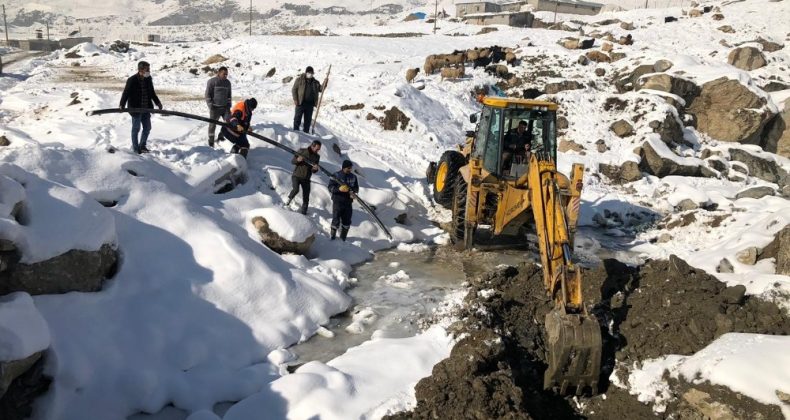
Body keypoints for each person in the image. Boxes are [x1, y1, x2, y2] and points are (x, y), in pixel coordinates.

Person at [120, 61, 162, 154]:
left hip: (146, 108)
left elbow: (152, 92)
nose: (149, 71)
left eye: (149, 69)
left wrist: (158, 102)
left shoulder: (148, 79)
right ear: (141, 70)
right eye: (147, 69)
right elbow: (126, 93)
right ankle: (136, 149)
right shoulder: (132, 80)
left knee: (147, 127)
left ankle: (142, 145)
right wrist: (122, 104)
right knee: (136, 128)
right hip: (135, 109)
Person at [286, 140, 322, 214]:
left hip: (306, 178)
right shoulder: (302, 151)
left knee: (306, 196)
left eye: (319, 149)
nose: (318, 150)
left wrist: (315, 169)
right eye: (317, 148)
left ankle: (304, 212)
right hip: (297, 175)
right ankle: (288, 201)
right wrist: (298, 160)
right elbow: (293, 161)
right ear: (312, 146)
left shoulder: (317, 157)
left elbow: (314, 170)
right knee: (296, 189)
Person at [328, 160, 359, 241]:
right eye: (348, 168)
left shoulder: (353, 177)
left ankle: (343, 239)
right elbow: (330, 187)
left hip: (348, 202)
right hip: (338, 201)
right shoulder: (336, 175)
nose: (350, 170)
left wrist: (354, 193)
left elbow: (356, 188)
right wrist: (339, 189)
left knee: (347, 221)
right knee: (336, 219)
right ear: (344, 167)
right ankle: (332, 238)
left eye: (351, 168)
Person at [205, 66, 232, 147]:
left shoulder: (228, 83)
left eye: (226, 74)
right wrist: (210, 105)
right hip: (215, 108)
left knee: (229, 123)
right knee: (212, 125)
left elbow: (229, 95)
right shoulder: (212, 81)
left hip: (225, 108)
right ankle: (211, 141)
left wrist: (229, 105)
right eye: (224, 74)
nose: (225, 76)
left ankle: (221, 136)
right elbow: (207, 94)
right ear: (219, 73)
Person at [291, 66, 323, 133]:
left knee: (308, 121)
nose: (310, 74)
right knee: (297, 118)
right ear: (306, 72)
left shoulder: (315, 82)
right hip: (300, 103)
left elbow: (321, 89)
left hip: (310, 104)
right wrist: (295, 99)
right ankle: (295, 132)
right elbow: (294, 90)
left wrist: (325, 83)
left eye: (311, 73)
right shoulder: (299, 80)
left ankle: (306, 134)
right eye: (309, 73)